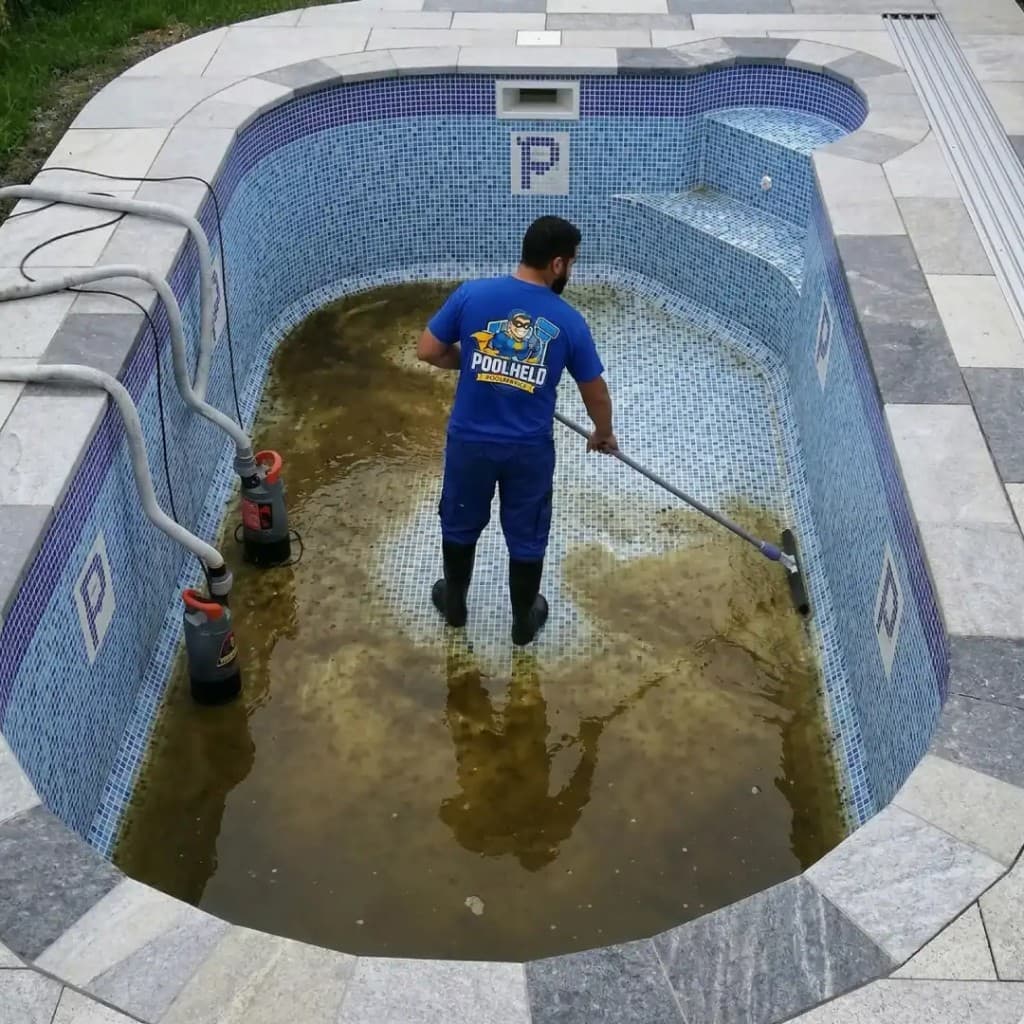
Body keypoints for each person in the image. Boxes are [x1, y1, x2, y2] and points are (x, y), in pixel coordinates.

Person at [416, 215, 617, 646]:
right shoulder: (568, 320)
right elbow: (594, 390)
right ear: (558, 264)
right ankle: (524, 623)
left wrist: (471, 363)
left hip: (470, 442)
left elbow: (428, 350)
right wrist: (602, 432)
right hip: (528, 450)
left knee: (460, 522)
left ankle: (454, 605)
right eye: (572, 264)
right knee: (527, 533)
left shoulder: (473, 294)